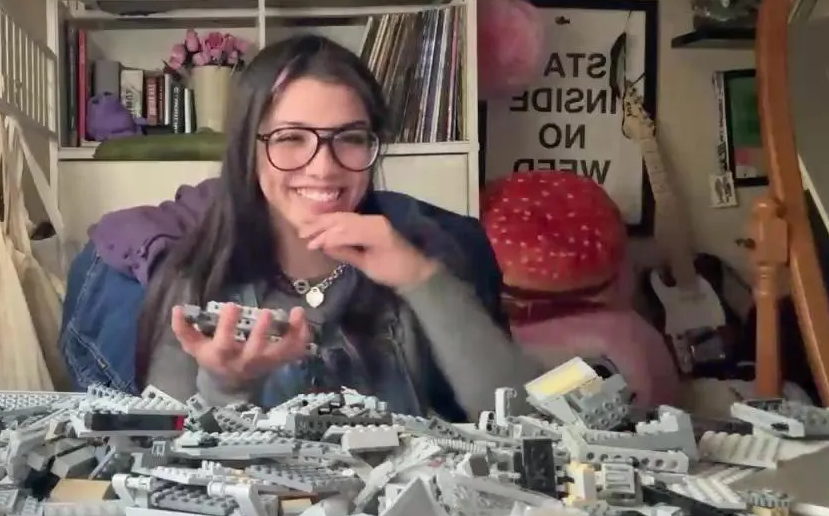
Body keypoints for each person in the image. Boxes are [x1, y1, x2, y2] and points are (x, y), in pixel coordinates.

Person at [132, 34, 541, 417]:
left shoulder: (428, 255)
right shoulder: (195, 283)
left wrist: (420, 279)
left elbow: (527, 419)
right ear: (247, 150)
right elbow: (160, 453)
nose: (324, 168)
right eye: (291, 138)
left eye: (350, 138)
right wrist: (226, 387)